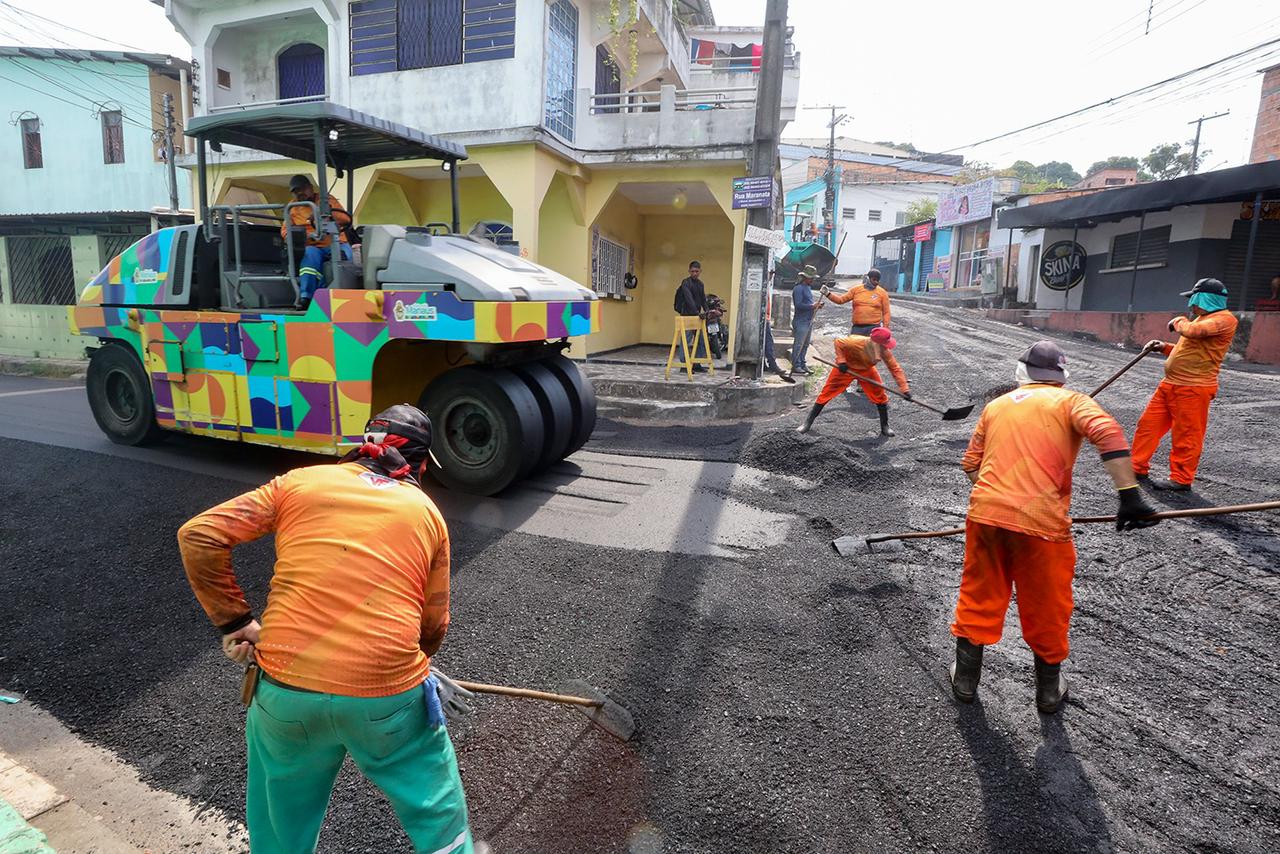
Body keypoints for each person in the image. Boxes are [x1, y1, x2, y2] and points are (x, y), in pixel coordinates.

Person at [178, 405, 475, 854]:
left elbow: (200, 536)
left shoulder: (298, 482)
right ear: (420, 464)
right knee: (436, 810)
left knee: (282, 821)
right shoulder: (426, 512)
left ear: (361, 447)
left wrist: (237, 623)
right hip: (386, 695)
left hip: (284, 689)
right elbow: (434, 622)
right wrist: (419, 666)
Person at [950, 341, 1160, 714]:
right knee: (1047, 604)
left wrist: (1001, 498)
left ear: (1022, 373)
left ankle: (966, 680)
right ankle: (1048, 692)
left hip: (986, 517)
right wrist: (1129, 495)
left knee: (979, 592)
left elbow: (971, 465)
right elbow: (1108, 434)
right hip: (1043, 525)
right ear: (1060, 377)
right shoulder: (1074, 402)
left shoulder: (995, 407)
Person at [1131, 277, 1239, 492]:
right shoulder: (1199, 320)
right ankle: (1136, 467)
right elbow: (1188, 352)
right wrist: (1163, 347)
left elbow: (1192, 333)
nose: (1190, 304)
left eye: (1193, 299)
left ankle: (1181, 479)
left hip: (1193, 389)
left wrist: (1178, 321)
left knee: (1187, 435)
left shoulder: (1224, 320)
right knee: (1147, 426)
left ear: (1205, 299)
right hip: (1170, 385)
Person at [797, 327, 908, 437]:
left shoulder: (883, 351)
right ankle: (807, 423)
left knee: (880, 395)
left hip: (866, 370)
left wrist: (904, 389)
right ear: (874, 343)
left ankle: (885, 426)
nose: (885, 347)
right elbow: (838, 342)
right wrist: (841, 361)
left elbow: (895, 368)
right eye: (883, 344)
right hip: (846, 368)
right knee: (827, 393)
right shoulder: (854, 342)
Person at [283, 174, 353, 307]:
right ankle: (306, 297)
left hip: (336, 242)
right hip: (313, 246)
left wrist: (326, 212)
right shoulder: (292, 208)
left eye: (302, 189)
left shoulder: (326, 200)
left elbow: (346, 219)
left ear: (310, 187)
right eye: (295, 191)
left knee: (344, 257)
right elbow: (285, 231)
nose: (299, 193)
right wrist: (301, 236)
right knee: (309, 256)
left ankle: (341, 296)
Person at [824, 268, 891, 334]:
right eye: (874, 280)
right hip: (857, 329)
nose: (876, 282)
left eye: (878, 280)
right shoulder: (856, 290)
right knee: (853, 345)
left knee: (871, 345)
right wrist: (827, 294)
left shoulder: (882, 293)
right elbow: (841, 300)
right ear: (868, 279)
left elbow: (886, 312)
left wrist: (885, 329)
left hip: (874, 329)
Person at [674, 260, 710, 373]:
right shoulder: (686, 282)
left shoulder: (700, 284)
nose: (695, 273)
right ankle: (684, 365)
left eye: (697, 271)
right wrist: (696, 311)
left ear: (700, 271)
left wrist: (707, 310)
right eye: (693, 271)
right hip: (686, 315)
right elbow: (689, 299)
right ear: (689, 271)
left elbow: (703, 299)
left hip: (697, 317)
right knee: (686, 340)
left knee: (700, 340)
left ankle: (696, 364)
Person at [790, 265, 821, 375]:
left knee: (806, 344)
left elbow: (808, 303)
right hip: (801, 321)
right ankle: (796, 365)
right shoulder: (798, 288)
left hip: (808, 320)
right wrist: (812, 306)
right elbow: (798, 305)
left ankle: (802, 363)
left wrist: (816, 306)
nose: (812, 280)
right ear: (805, 277)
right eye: (811, 278)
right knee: (799, 344)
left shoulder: (808, 288)